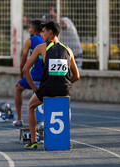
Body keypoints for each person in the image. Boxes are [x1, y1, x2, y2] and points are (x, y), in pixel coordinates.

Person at [23, 21, 80, 150]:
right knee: (66, 108)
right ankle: (64, 138)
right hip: (64, 88)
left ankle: (33, 140)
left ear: (50, 32)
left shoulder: (41, 47)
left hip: (47, 88)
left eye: (43, 32)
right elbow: (77, 76)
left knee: (31, 106)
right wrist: (65, 83)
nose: (41, 34)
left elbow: (25, 69)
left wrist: (34, 88)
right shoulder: (68, 49)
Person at [12, 20, 44, 127]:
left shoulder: (30, 41)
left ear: (34, 29)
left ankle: (19, 119)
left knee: (18, 88)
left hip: (34, 75)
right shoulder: (46, 39)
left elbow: (23, 62)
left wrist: (21, 77)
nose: (29, 30)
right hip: (46, 76)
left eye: (30, 28)